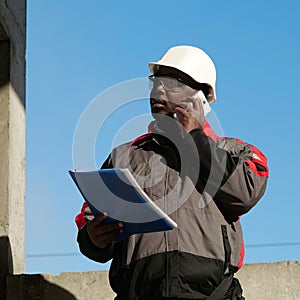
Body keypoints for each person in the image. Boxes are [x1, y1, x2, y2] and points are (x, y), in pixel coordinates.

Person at [75, 45, 268, 299]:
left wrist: (195, 139)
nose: (158, 90)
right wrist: (93, 239)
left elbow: (246, 192)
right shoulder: (124, 156)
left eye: (171, 83)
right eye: (156, 82)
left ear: (200, 96)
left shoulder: (235, 151)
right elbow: (90, 222)